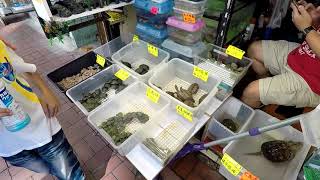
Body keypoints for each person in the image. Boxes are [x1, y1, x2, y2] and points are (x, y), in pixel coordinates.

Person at [0, 37, 85, 180]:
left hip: (42, 126)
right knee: (45, 169)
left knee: (71, 175)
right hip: (10, 148)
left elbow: (24, 67)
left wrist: (46, 91)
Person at [241, 0, 320, 109]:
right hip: (300, 55)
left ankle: (259, 97)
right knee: (254, 50)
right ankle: (264, 93)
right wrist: (314, 19)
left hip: (313, 82)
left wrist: (306, 27)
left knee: (250, 93)